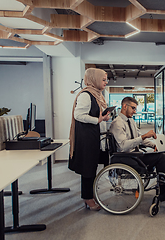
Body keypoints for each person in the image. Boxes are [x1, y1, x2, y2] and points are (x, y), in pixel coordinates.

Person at [109, 97, 165, 202]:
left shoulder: (131, 121)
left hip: (135, 155)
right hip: (127, 157)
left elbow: (140, 138)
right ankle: (164, 191)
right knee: (161, 158)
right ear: (124, 106)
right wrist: (144, 136)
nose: (135, 111)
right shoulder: (117, 123)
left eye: (135, 109)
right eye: (133, 108)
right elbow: (123, 146)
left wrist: (153, 145)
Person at [69, 68, 111, 211]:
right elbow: (78, 115)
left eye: (106, 79)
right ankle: (87, 198)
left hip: (93, 136)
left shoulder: (96, 95)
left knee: (92, 167)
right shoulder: (86, 95)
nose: (106, 82)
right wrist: (98, 119)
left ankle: (90, 194)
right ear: (94, 79)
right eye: (103, 79)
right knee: (88, 168)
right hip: (86, 138)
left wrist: (104, 118)